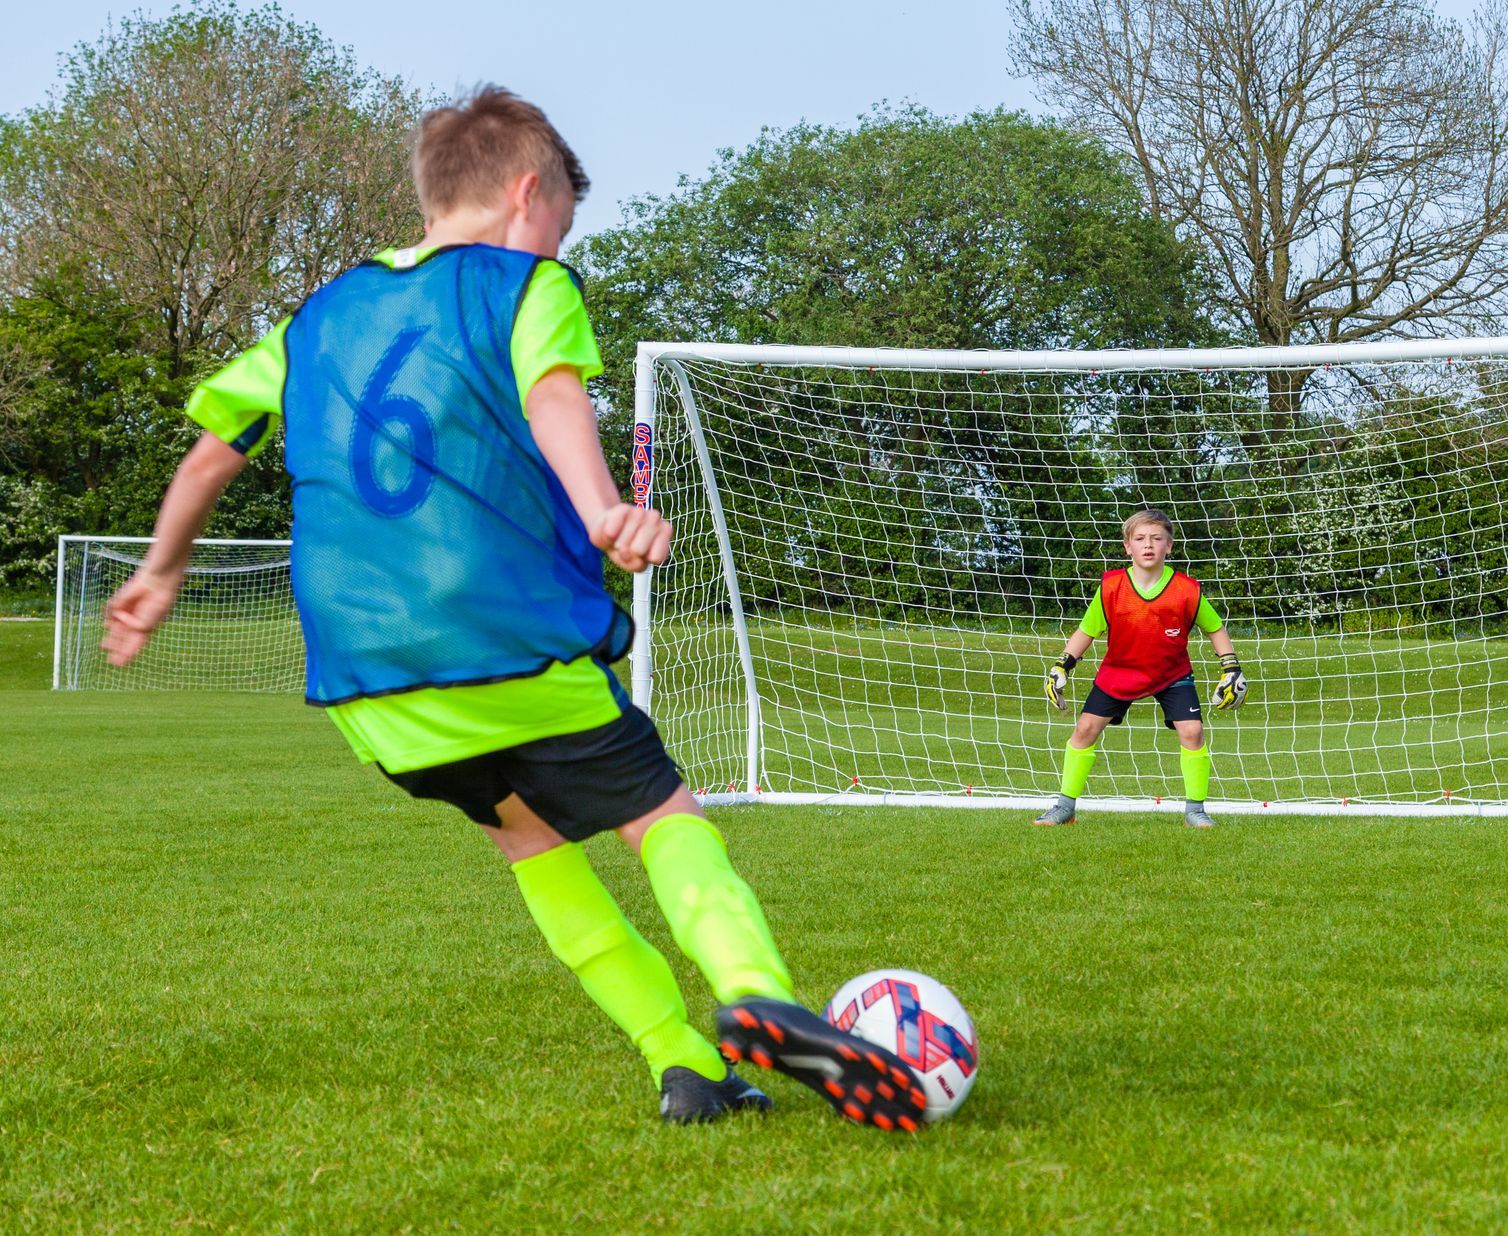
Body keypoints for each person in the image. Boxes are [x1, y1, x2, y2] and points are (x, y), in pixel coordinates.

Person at [100, 86, 924, 1131]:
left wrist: (163, 569)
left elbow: (216, 445)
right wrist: (604, 509)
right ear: (528, 192)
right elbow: (551, 393)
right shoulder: (524, 283)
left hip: (368, 681)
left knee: (530, 840)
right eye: (562, 224)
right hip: (497, 631)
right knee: (661, 813)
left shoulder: (317, 316)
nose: (558, 243)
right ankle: (756, 991)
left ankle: (680, 1061)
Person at [1035, 509, 1246, 828]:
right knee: (1084, 730)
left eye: (1157, 538)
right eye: (1140, 538)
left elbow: (1215, 629)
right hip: (1118, 672)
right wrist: (1062, 665)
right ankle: (1064, 807)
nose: (1149, 545)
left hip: (1171, 673)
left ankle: (1195, 811)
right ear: (1127, 546)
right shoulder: (1111, 587)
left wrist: (1231, 668)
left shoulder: (1187, 590)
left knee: (1193, 732)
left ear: (1169, 546)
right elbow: (1087, 631)